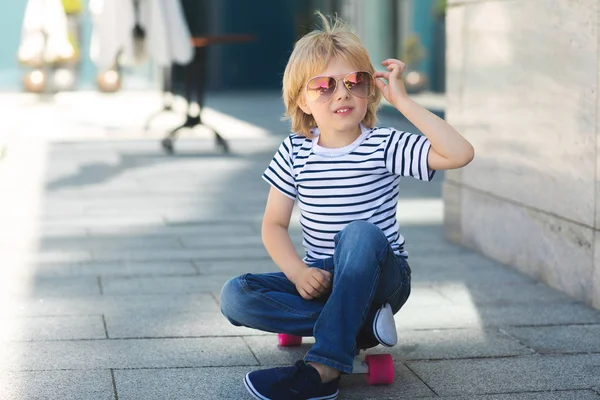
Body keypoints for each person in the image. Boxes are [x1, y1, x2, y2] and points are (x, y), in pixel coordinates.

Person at [220, 11, 474, 400]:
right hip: (323, 277)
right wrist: (298, 272)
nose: (342, 93)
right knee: (236, 294)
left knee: (359, 233)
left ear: (370, 90)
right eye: (324, 85)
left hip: (382, 277)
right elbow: (273, 225)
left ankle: (322, 370)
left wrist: (404, 102)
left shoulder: (384, 144)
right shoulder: (294, 151)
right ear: (302, 99)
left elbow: (459, 153)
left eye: (355, 82)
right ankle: (362, 326)